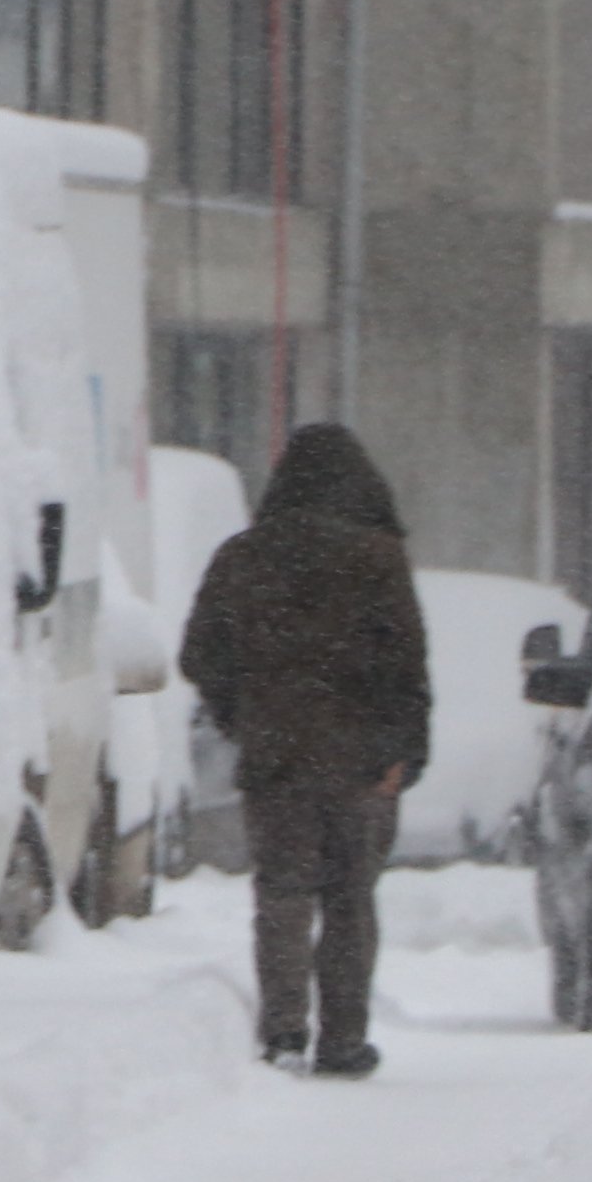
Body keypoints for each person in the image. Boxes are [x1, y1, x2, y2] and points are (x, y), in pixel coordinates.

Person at [176, 420, 433, 1081]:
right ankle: (343, 1038)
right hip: (361, 762)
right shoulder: (377, 558)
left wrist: (242, 714)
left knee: (284, 894)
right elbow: (406, 663)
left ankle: (284, 1030)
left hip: (277, 758)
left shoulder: (244, 556)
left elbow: (199, 654)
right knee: (351, 899)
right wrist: (404, 750)